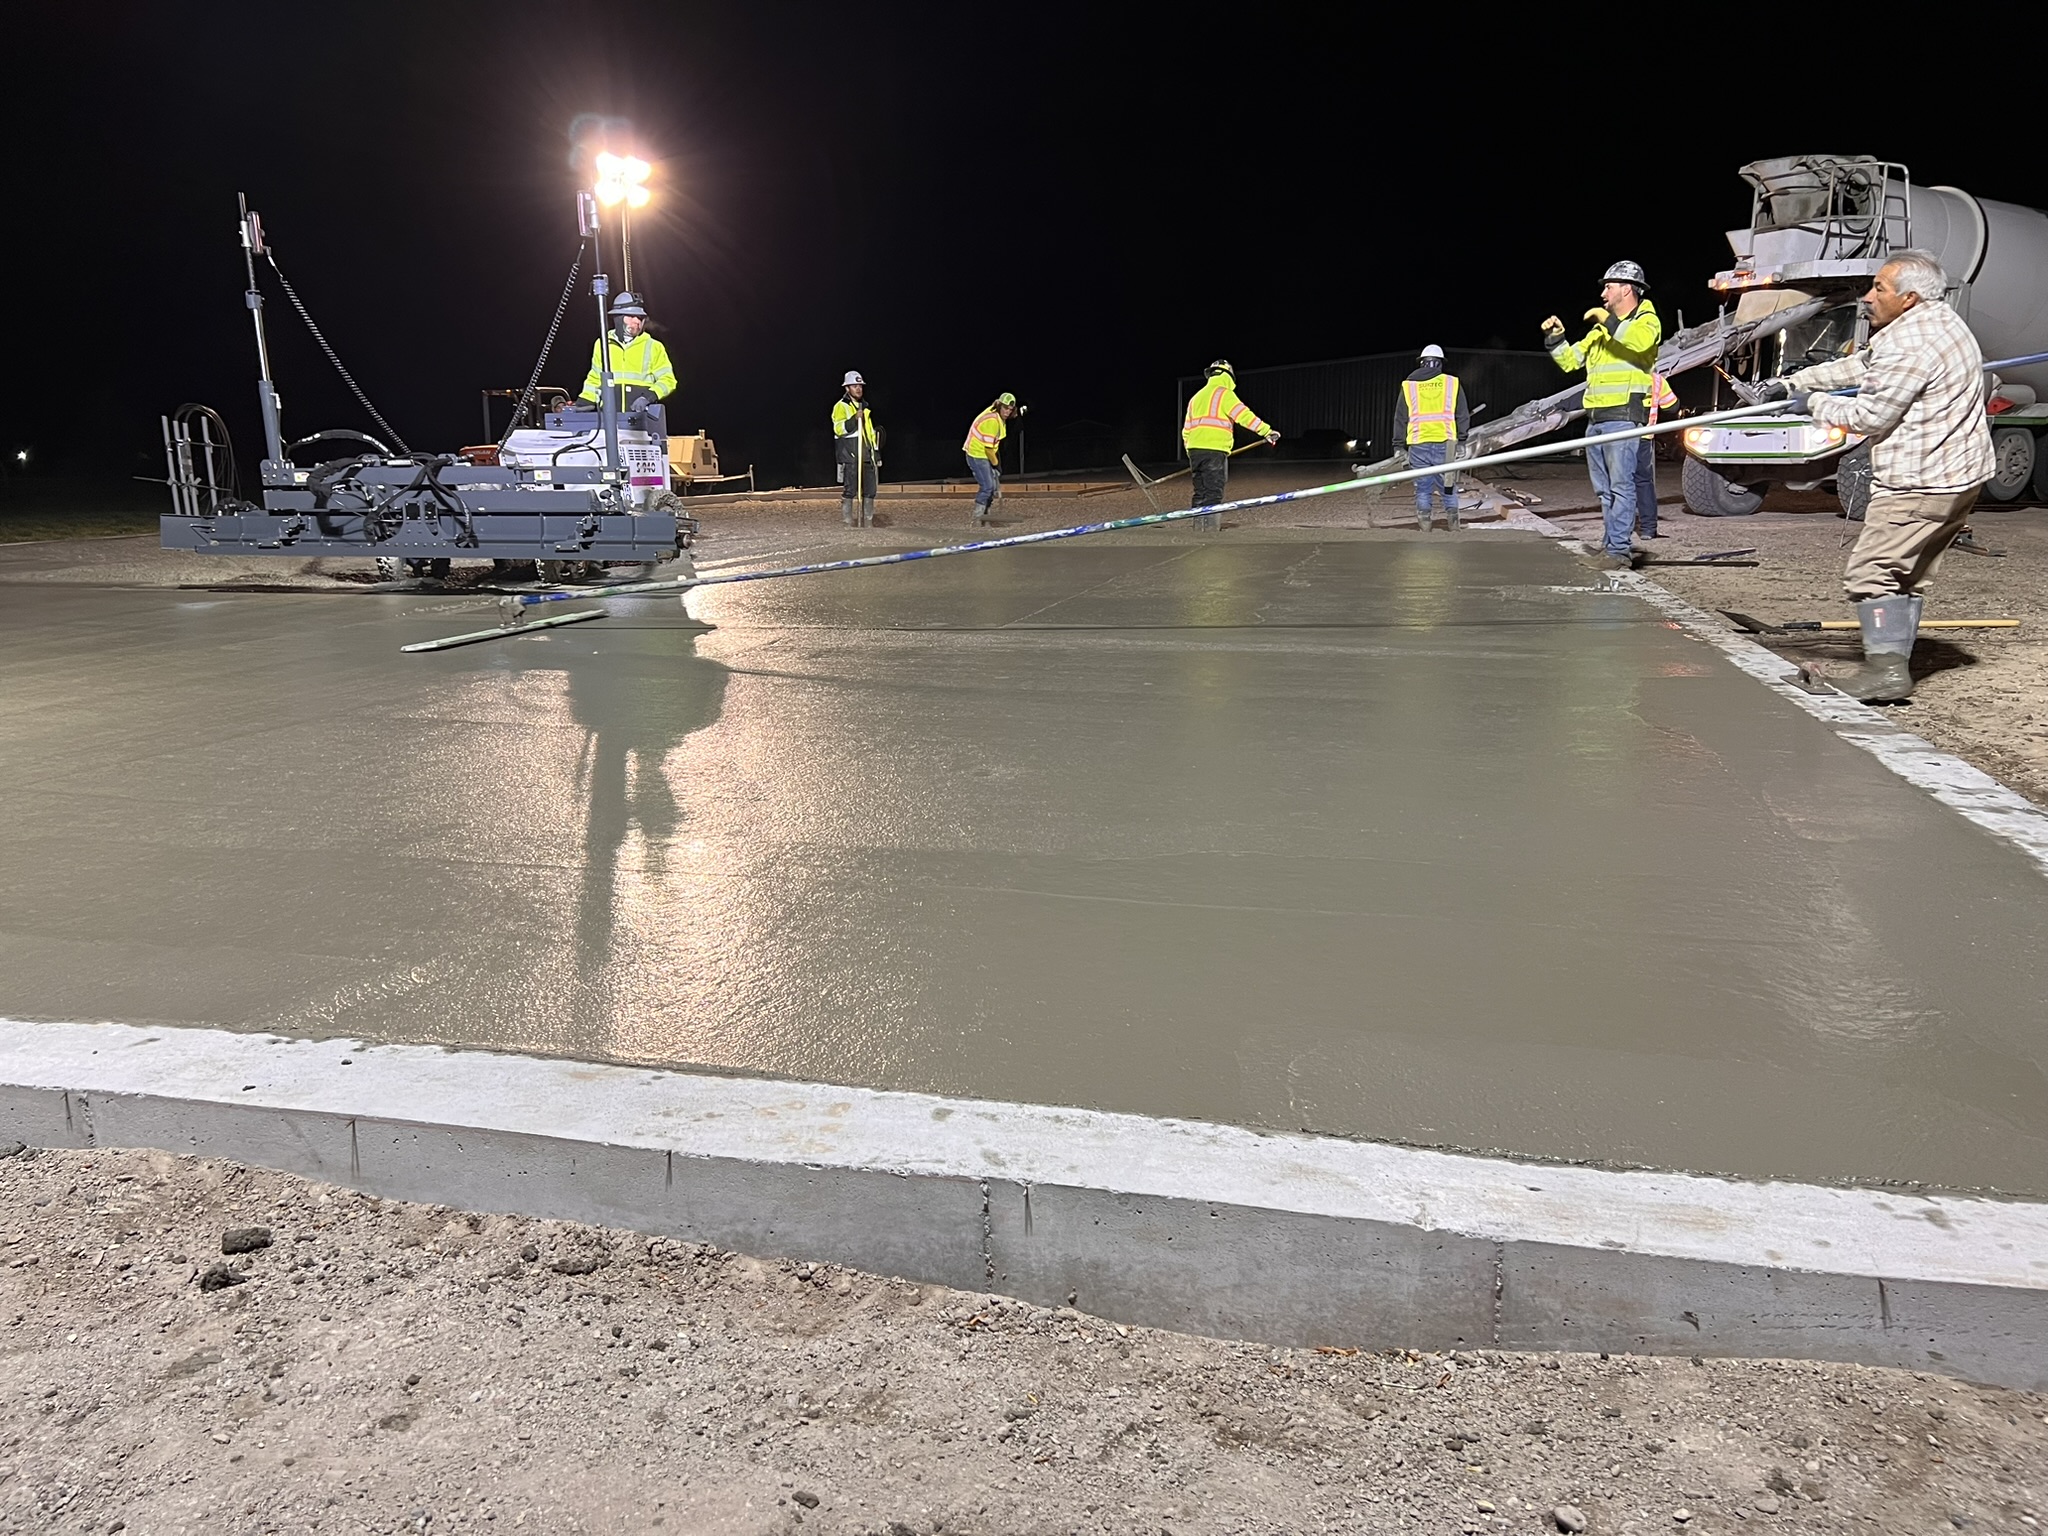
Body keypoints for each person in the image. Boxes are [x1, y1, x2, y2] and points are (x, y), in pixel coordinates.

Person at [1778, 249, 1993, 702]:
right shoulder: (1939, 321)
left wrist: (1812, 405)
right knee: (1906, 575)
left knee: (1871, 574)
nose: (1867, 297)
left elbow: (1869, 415)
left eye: (1880, 288)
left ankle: (1886, 673)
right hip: (1959, 477)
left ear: (1909, 297)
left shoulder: (1910, 343)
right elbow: (1864, 365)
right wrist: (1797, 382)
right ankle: (1892, 663)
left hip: (1920, 482)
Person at [1542, 261, 1663, 568]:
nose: (1603, 293)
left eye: (1609, 287)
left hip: (1623, 417)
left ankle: (1619, 551)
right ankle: (1611, 546)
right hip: (1596, 419)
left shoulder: (1647, 320)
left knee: (1621, 487)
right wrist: (1556, 340)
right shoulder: (1599, 331)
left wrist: (1607, 320)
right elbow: (1570, 361)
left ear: (1627, 289)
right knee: (1605, 491)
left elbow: (1637, 341)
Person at [1181, 360, 1279, 532]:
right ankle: (1210, 530)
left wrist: (1190, 449)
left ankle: (1198, 528)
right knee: (1213, 491)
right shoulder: (1224, 394)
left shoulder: (1196, 398)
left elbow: (1186, 429)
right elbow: (1244, 416)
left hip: (1195, 451)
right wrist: (1266, 431)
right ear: (1228, 376)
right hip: (1214, 450)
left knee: (1200, 491)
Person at [1394, 344, 1470, 530]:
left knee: (1423, 487)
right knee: (1448, 485)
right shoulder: (1452, 383)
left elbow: (1400, 418)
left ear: (1422, 363)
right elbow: (1462, 414)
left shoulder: (1409, 385)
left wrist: (1398, 446)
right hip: (1446, 442)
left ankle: (1425, 526)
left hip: (1418, 443)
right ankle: (1454, 525)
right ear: (1440, 363)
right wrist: (1462, 440)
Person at [579, 293, 676, 414]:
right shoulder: (603, 344)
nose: (636, 321)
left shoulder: (653, 346)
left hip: (640, 417)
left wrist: (649, 396)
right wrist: (585, 401)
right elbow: (595, 378)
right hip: (609, 417)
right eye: (631, 316)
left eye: (640, 318)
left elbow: (668, 380)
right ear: (618, 318)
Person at [1634, 370, 1680, 540]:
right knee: (1644, 482)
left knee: (1619, 483)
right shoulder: (1655, 379)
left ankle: (1621, 528)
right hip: (1643, 437)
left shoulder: (1617, 374)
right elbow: (1672, 406)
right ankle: (1648, 529)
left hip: (1616, 438)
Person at [832, 371, 880, 528]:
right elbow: (838, 428)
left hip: (866, 453)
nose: (858, 389)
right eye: (854, 386)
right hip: (850, 454)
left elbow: (870, 433)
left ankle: (868, 521)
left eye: (860, 386)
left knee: (870, 490)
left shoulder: (864, 408)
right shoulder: (841, 406)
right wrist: (854, 420)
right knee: (850, 490)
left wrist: (875, 452)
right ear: (847, 388)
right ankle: (848, 522)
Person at [962, 393, 1019, 526]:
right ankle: (977, 518)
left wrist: (996, 465)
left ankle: (985, 516)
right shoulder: (992, 421)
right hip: (977, 455)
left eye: (1010, 410)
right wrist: (995, 464)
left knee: (992, 487)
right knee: (987, 487)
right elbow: (988, 449)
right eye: (1005, 408)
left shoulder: (998, 416)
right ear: (999, 406)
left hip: (984, 453)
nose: (1007, 412)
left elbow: (993, 446)